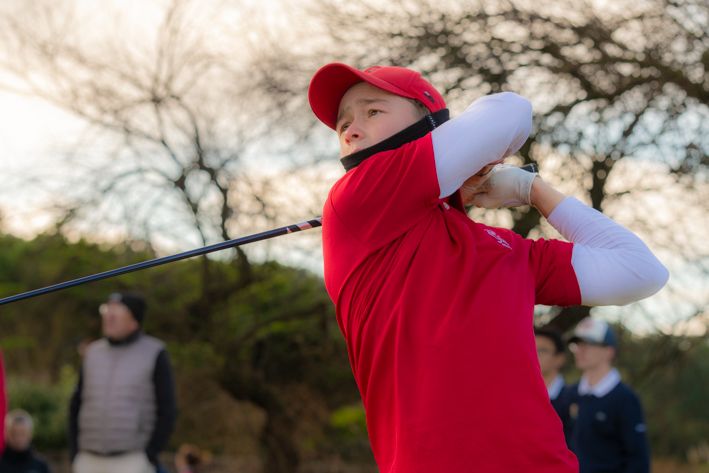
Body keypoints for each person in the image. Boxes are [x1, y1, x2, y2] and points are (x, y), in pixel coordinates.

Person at [307, 63, 669, 472]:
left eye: (372, 111)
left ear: (429, 125)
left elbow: (640, 270)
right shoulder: (356, 200)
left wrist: (533, 190)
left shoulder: (505, 248)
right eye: (343, 125)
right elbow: (508, 115)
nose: (351, 130)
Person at [69, 292, 177, 473]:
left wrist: (150, 454)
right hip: (88, 459)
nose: (108, 317)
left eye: (116, 313)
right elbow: (76, 403)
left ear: (134, 321)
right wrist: (75, 452)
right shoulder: (92, 353)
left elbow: (167, 408)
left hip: (132, 460)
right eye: (106, 311)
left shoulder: (154, 352)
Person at [566, 317, 650, 473]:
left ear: (609, 351)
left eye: (588, 344)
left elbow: (638, 460)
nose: (580, 350)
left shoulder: (625, 399)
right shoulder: (570, 394)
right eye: (577, 345)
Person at [535, 327, 573, 444]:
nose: (535, 354)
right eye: (532, 348)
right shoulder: (520, 397)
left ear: (559, 359)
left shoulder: (572, 398)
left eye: (542, 350)